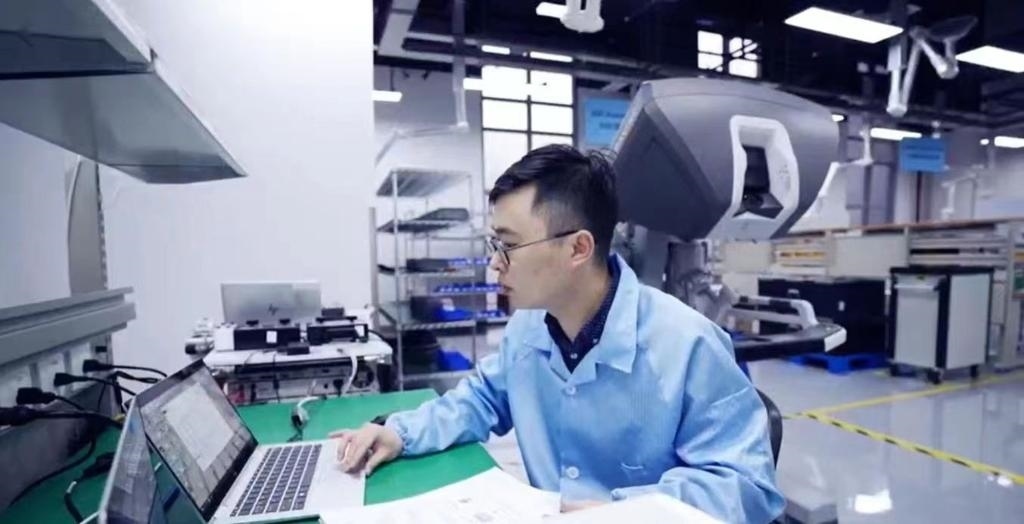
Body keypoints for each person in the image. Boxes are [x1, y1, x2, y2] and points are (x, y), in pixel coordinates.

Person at [331, 145, 784, 522]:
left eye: (508, 245)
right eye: (495, 245)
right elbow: (481, 399)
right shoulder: (529, 325)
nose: (494, 263)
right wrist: (400, 433)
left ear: (578, 248)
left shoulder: (689, 343)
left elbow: (746, 486)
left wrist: (623, 513)